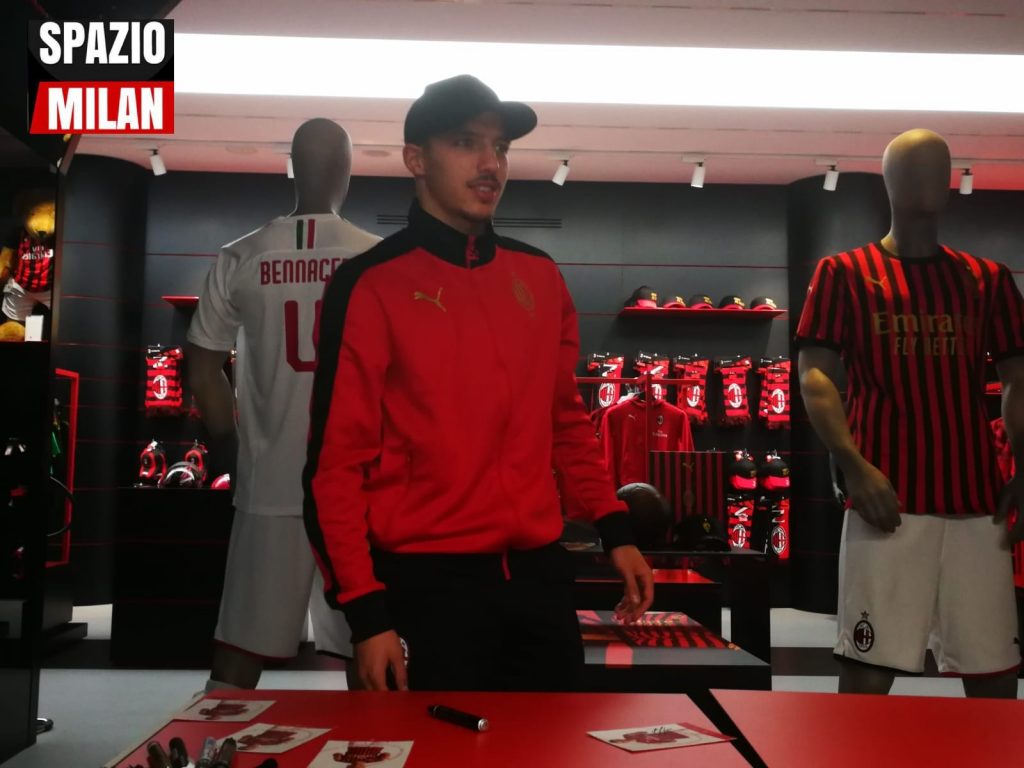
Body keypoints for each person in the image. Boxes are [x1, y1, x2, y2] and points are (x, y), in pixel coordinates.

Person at [303, 74, 654, 692]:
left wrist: (615, 529)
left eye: (501, 147)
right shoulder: (369, 284)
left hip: (539, 580)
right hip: (425, 586)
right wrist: (365, 613)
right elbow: (334, 466)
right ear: (416, 159)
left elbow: (565, 421)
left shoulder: (539, 277)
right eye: (466, 142)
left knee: (553, 741)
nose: (490, 163)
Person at [797, 128, 1024, 698]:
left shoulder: (988, 280)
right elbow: (815, 375)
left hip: (978, 501)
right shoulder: (843, 273)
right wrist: (853, 466)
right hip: (887, 498)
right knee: (869, 664)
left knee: (995, 667)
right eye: (915, 169)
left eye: (940, 170)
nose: (930, 182)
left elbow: (1018, 379)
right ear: (890, 182)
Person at [187, 118, 381, 691]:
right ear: (347, 172)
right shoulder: (376, 259)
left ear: (292, 168)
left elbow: (202, 366)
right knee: (369, 646)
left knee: (239, 646)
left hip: (270, 482)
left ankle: (215, 738)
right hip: (357, 487)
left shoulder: (241, 255)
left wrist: (232, 446)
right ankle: (379, 741)